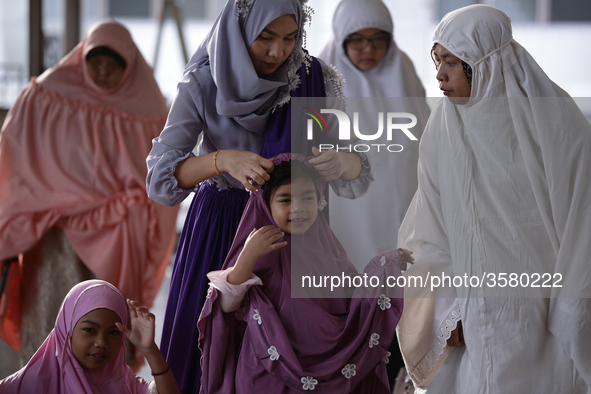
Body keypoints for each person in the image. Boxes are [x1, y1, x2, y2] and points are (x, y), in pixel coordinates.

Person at [146, 1, 372, 392]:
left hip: (294, 234)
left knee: (289, 360)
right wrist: (221, 160)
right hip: (221, 230)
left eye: (289, 38)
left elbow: (357, 175)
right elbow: (160, 181)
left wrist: (342, 161)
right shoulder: (204, 83)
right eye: (265, 38)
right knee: (213, 353)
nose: (277, 52)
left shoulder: (313, 81)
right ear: (239, 31)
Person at [396, 5, 591, 393]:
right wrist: (447, 311)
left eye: (451, 62)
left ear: (482, 63)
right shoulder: (442, 128)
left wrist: (570, 311)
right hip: (471, 314)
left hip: (544, 314)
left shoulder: (556, 124)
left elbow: (584, 223)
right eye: (437, 60)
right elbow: (429, 227)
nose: (439, 75)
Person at [0, 19, 178, 368]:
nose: (102, 71)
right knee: (50, 316)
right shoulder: (49, 94)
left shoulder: (150, 110)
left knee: (106, 323)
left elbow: (163, 174)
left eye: (113, 64)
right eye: (95, 61)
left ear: (129, 65)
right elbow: (14, 150)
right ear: (82, 57)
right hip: (56, 233)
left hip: (117, 236)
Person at [198, 153, 412, 393]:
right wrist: (247, 259)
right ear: (266, 204)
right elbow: (226, 306)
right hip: (268, 374)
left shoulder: (327, 247)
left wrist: (383, 268)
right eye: (285, 200)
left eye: (307, 197)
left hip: (328, 368)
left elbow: (354, 302)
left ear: (319, 200)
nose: (298, 208)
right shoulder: (259, 247)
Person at [318, 0, 430, 387]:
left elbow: (428, 152)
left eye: (378, 40)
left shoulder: (405, 74)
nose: (369, 49)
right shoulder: (321, 82)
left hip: (399, 216)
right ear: (341, 40)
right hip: (344, 223)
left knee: (400, 308)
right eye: (358, 40)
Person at [0, 279, 182, 393]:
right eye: (89, 330)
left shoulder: (123, 382)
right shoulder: (26, 385)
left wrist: (149, 350)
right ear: (66, 329)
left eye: (113, 332)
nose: (101, 342)